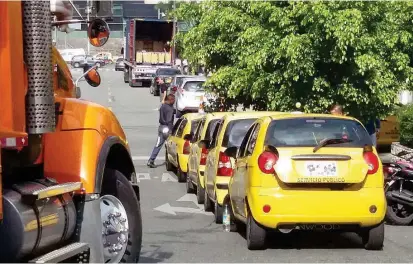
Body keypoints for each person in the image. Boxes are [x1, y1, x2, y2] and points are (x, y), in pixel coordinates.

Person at [147, 94, 176, 168]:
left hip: (161, 127)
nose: (174, 101)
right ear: (171, 100)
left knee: (158, 144)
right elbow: (169, 120)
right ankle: (173, 161)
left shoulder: (163, 106)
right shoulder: (170, 109)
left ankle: (151, 160)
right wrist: (171, 130)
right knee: (172, 145)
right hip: (167, 128)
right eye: (174, 100)